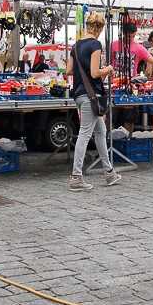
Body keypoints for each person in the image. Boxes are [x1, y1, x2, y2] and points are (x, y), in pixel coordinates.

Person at [65, 12, 121, 191]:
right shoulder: (95, 44)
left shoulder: (76, 45)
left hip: (80, 94)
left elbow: (68, 70)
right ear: (100, 28)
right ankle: (76, 177)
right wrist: (108, 68)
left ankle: (109, 172)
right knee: (85, 134)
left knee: (100, 132)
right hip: (91, 95)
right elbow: (95, 72)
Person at [110, 21, 153, 135]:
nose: (131, 39)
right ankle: (110, 140)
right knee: (112, 116)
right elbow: (107, 64)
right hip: (114, 87)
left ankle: (128, 139)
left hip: (130, 88)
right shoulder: (114, 45)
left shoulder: (138, 48)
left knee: (130, 117)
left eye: (133, 36)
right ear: (123, 34)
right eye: (129, 36)